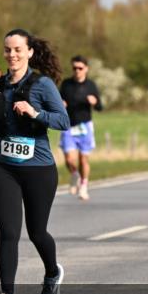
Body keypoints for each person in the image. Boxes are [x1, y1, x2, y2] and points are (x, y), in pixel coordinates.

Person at [0, 29, 70, 294]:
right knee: (9, 233)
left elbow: (64, 121)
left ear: (29, 52)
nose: (12, 55)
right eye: (7, 50)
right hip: (4, 168)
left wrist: (35, 113)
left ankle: (52, 273)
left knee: (37, 232)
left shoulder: (42, 84)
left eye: (18, 50)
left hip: (39, 170)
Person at [59, 55, 103, 201]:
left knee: (83, 159)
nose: (77, 71)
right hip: (68, 125)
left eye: (80, 68)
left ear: (86, 69)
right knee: (68, 159)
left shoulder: (91, 85)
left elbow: (99, 107)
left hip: (85, 126)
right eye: (74, 68)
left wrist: (94, 102)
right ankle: (74, 174)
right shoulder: (66, 84)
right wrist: (61, 103)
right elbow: (58, 102)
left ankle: (84, 185)